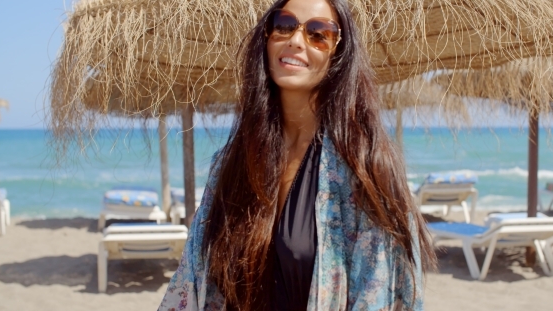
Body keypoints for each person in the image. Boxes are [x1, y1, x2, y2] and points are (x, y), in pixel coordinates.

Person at [158, 0, 436, 310]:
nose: (296, 40)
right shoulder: (233, 164)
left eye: (319, 33)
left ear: (339, 55)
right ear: (266, 37)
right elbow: (197, 279)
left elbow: (379, 294)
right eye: (284, 25)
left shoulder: (363, 168)